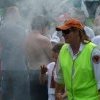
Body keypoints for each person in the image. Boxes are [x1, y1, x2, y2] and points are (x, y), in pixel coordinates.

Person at [55, 18, 100, 100]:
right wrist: (58, 94)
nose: (63, 35)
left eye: (66, 31)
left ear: (77, 32)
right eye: (62, 32)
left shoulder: (93, 51)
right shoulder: (63, 50)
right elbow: (60, 77)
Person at [0, 6, 30, 100]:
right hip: (19, 67)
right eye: (18, 13)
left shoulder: (1, 29)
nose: (19, 16)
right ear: (13, 15)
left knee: (6, 95)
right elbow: (25, 47)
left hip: (6, 67)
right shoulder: (21, 30)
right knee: (20, 96)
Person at [25, 15, 52, 100]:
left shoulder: (26, 39)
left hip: (31, 73)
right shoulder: (43, 39)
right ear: (42, 26)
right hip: (43, 75)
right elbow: (53, 58)